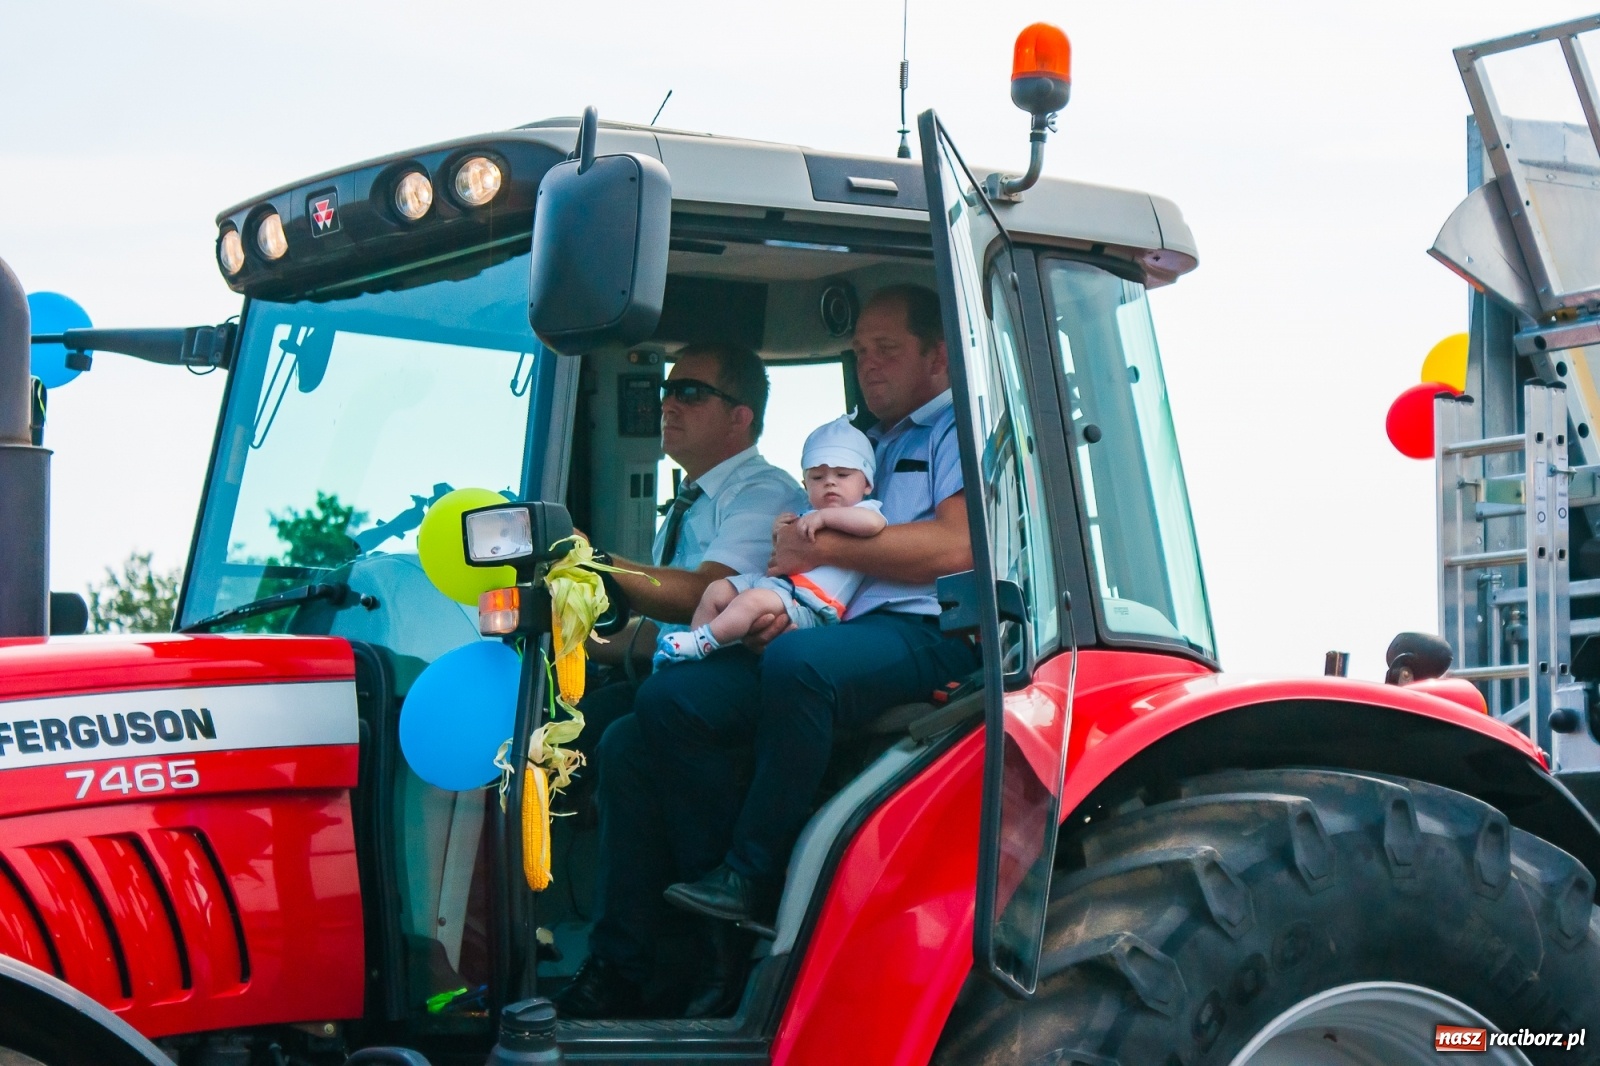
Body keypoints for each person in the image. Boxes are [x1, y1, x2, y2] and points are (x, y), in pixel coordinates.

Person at [557, 284, 976, 1020]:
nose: (869, 366)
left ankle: (753, 880)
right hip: (842, 623)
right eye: (860, 352)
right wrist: (792, 594)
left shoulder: (954, 433)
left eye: (887, 350)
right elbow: (802, 548)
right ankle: (673, 953)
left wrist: (823, 547)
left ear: (939, 356)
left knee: (796, 668)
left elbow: (953, 547)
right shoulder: (865, 442)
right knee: (655, 712)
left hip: (930, 632)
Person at [571, 342, 806, 749]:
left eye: (690, 393)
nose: (668, 405)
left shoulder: (764, 493)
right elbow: (665, 631)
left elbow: (705, 599)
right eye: (667, 390)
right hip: (682, 668)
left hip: (730, 683)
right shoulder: (693, 501)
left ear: (739, 417)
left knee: (618, 744)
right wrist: (573, 641)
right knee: (567, 721)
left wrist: (594, 563)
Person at [654, 414, 885, 664]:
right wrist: (780, 531)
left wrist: (826, 518)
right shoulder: (805, 513)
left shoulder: (866, 511)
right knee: (717, 589)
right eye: (817, 477)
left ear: (867, 484)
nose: (830, 483)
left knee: (750, 601)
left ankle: (704, 642)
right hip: (777, 587)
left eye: (842, 475)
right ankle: (695, 647)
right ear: (805, 485)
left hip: (811, 604)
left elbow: (874, 525)